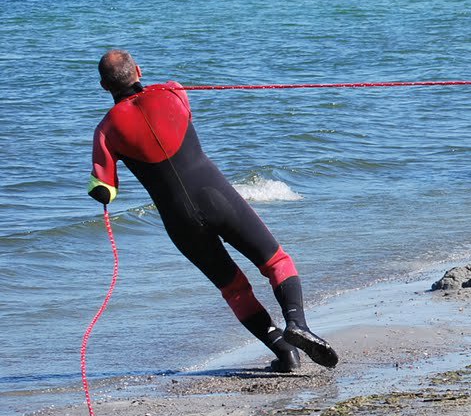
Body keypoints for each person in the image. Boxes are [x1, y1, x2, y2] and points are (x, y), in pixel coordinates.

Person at [88, 50, 339, 372]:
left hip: (178, 220)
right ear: (138, 69)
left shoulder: (105, 130)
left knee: (234, 289)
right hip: (216, 196)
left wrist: (100, 190)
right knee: (276, 261)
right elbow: (179, 114)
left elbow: (105, 187)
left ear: (103, 86)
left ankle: (285, 352)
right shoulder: (172, 90)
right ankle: (297, 324)